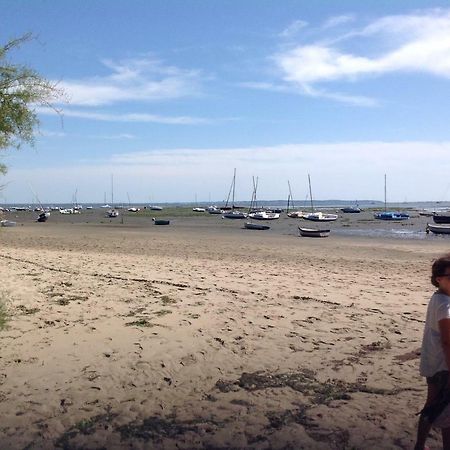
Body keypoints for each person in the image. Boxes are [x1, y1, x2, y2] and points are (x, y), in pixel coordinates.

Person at [415, 254, 450, 450]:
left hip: (433, 362)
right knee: (442, 409)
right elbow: (447, 341)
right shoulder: (445, 305)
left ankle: (419, 445)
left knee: (435, 407)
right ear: (439, 279)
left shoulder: (439, 297)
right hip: (443, 365)